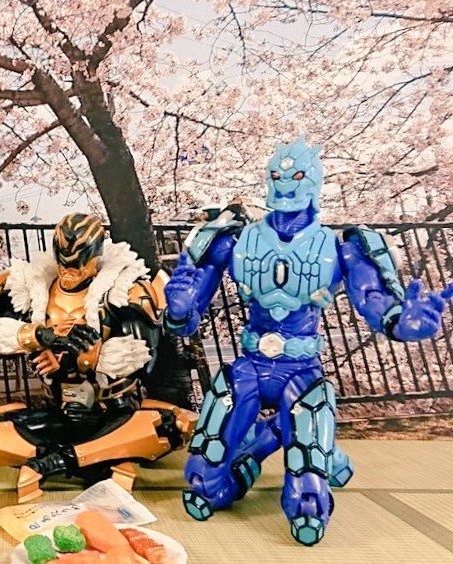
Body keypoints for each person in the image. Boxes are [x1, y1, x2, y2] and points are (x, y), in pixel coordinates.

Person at [166, 135, 453, 545]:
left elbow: (375, 302)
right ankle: (268, 440)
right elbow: (184, 316)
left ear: (314, 181)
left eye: (297, 175)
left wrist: (406, 324)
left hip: (300, 369)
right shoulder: (234, 241)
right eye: (277, 175)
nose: (285, 183)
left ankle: (298, 449)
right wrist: (179, 308)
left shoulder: (342, 249)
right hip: (249, 365)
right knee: (203, 479)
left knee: (307, 495)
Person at [0, 212, 196, 503]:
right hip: (61, 409)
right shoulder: (36, 286)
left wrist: (80, 359)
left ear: (97, 255)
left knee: (168, 427)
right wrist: (42, 337)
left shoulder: (125, 289)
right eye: (64, 262)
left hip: (113, 411)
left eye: (79, 263)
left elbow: (143, 359)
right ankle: (101, 460)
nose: (69, 271)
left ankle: (59, 460)